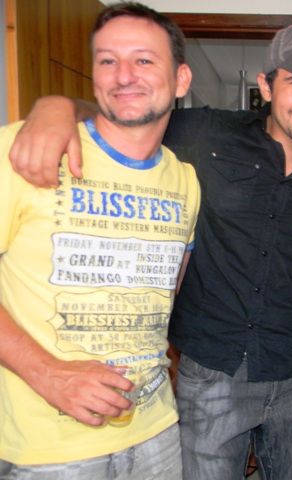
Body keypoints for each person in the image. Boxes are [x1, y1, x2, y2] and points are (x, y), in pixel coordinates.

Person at [8, 23, 292, 480]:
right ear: (266, 87)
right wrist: (58, 107)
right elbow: (129, 116)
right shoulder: (207, 133)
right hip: (211, 375)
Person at [0, 3, 199, 479]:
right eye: (108, 60)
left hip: (157, 435)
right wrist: (47, 371)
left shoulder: (186, 181)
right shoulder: (26, 150)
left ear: (181, 79)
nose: (124, 75)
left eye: (144, 59)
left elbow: (165, 296)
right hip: (50, 452)